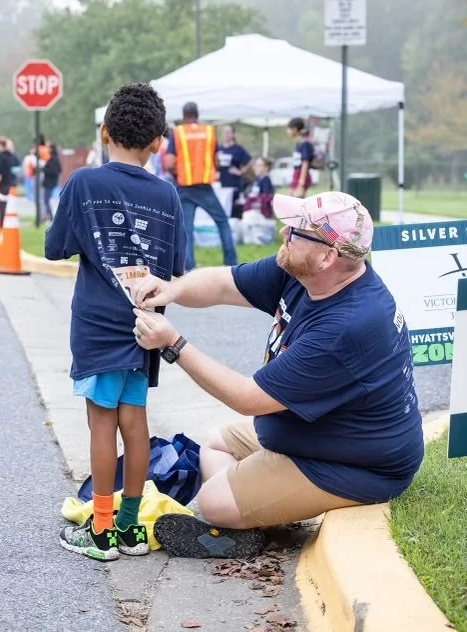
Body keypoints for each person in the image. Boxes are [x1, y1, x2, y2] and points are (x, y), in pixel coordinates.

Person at [130, 191, 424, 559]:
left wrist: (173, 343)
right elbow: (224, 283)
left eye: (297, 231)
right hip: (315, 435)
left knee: (212, 503)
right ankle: (261, 514)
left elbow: (247, 398)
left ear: (327, 256)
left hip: (355, 464)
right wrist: (172, 288)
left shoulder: (348, 325)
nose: (284, 233)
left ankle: (250, 521)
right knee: (215, 443)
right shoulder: (304, 273)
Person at [45, 83, 186, 562]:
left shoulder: (85, 183)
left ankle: (101, 530)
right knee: (137, 423)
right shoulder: (167, 196)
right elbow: (177, 265)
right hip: (146, 325)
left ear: (104, 132)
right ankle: (129, 529)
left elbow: (55, 246)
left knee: (101, 424)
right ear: (157, 144)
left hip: (97, 325)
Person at [166, 102, 237, 271]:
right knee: (222, 222)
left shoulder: (177, 133)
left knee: (186, 230)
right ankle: (231, 263)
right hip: (205, 187)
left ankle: (189, 268)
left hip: (184, 188)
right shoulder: (209, 132)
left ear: (183, 116)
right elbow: (217, 161)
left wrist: (177, 175)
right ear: (198, 115)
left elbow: (169, 163)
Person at [217, 125, 252, 218]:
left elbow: (250, 160)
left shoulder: (237, 149)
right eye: (224, 132)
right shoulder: (219, 149)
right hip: (222, 182)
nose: (226, 134)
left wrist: (241, 171)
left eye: (228, 132)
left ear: (233, 134)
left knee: (233, 207)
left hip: (234, 183)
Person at [287, 117, 314, 198]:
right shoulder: (298, 143)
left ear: (295, 129)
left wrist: (301, 183)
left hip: (302, 175)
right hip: (296, 175)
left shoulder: (305, 144)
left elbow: (305, 163)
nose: (287, 131)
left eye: (289, 128)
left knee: (297, 201)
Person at [0, 137, 15, 226]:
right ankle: (3, 222)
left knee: (2, 204)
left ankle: (1, 223)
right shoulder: (9, 156)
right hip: (8, 181)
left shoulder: (1, 156)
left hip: (3, 183)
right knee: (4, 203)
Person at [42, 142, 62, 221]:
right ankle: (50, 216)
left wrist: (44, 168)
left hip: (50, 184)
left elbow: (55, 171)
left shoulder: (53, 159)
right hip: (50, 183)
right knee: (47, 201)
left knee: (48, 201)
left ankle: (51, 217)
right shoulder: (51, 158)